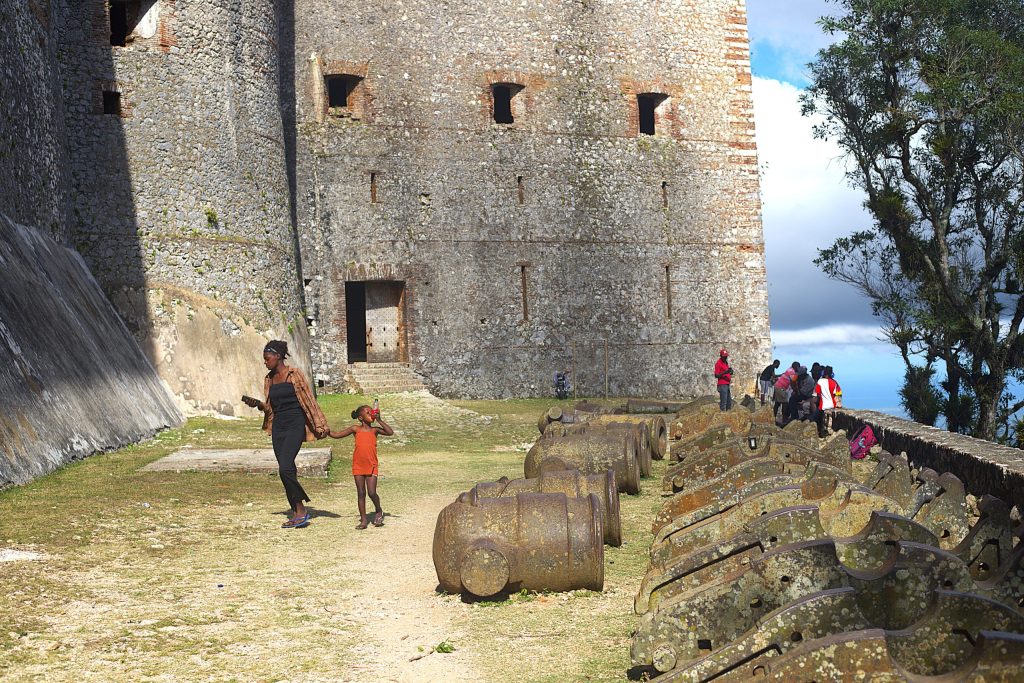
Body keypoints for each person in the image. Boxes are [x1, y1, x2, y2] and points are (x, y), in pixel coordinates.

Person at [243, 340, 332, 529]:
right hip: (278, 427)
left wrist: (320, 424)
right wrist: (258, 405)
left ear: (278, 356)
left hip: (295, 424)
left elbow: (308, 399)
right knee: (286, 469)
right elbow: (270, 408)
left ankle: (301, 509)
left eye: (267, 358)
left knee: (284, 468)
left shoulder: (294, 374)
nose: (265, 362)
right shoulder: (269, 379)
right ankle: (295, 510)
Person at [330, 405, 394, 529]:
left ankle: (378, 510)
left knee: (372, 492)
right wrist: (326, 431)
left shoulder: (375, 430)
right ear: (360, 417)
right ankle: (363, 520)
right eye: (368, 412)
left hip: (371, 465)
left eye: (372, 411)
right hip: (358, 465)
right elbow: (337, 435)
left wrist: (379, 420)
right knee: (361, 493)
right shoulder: (355, 429)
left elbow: (390, 432)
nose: (371, 413)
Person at [815, 366, 842, 436]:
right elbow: (839, 395)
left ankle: (820, 432)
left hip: (822, 406)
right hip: (833, 406)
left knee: (815, 418)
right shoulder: (835, 383)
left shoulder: (820, 381)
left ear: (823, 373)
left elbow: (817, 394)